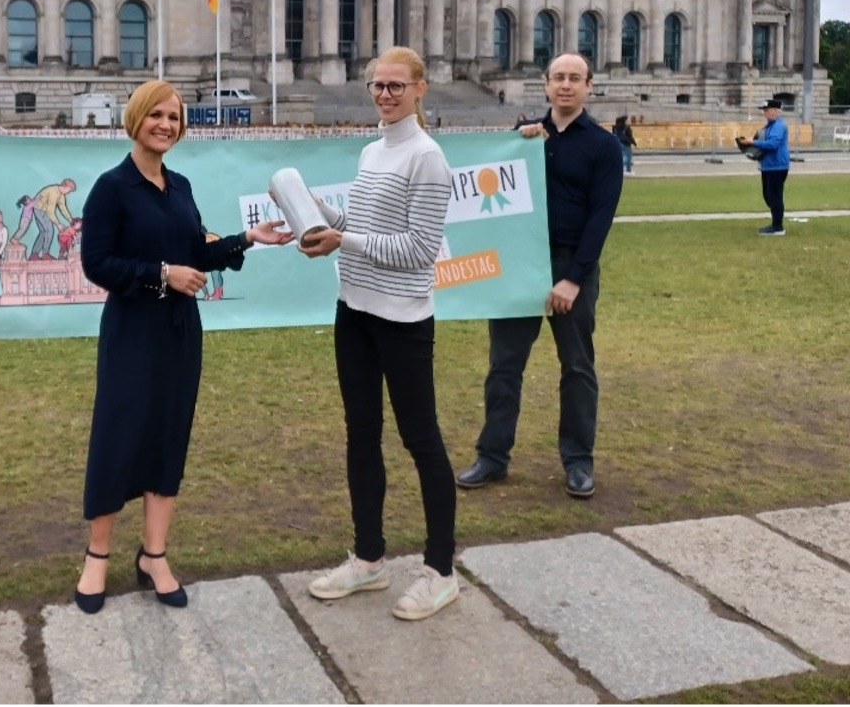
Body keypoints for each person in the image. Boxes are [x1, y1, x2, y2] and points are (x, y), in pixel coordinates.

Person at [72, 79, 291, 614]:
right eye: (157, 116)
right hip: (131, 333)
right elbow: (96, 265)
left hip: (179, 334)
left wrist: (246, 240)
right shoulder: (111, 187)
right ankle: (96, 556)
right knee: (117, 438)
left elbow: (195, 250)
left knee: (169, 438)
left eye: (174, 118)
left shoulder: (183, 185)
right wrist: (162, 275)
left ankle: (154, 554)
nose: (166, 125)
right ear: (136, 119)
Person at [299, 46, 460, 622]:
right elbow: (364, 230)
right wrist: (321, 217)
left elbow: (419, 251)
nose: (385, 95)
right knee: (360, 435)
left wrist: (349, 241)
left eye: (396, 86)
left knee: (422, 439)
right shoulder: (373, 151)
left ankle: (441, 571)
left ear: (421, 89)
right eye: (377, 85)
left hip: (404, 318)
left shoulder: (428, 157)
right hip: (355, 310)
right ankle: (369, 559)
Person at [457, 52, 623, 501]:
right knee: (504, 367)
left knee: (576, 367)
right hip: (519, 265)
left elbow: (600, 219)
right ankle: (492, 456)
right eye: (558, 78)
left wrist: (573, 278)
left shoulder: (604, 146)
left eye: (575, 78)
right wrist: (517, 144)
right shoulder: (524, 136)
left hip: (572, 266)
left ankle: (578, 461)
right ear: (545, 85)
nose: (566, 85)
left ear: (589, 86)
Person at [739, 99, 790, 236]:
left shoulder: (779, 125)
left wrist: (754, 142)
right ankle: (776, 222)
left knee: (775, 196)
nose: (765, 113)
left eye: (767, 110)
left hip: (777, 166)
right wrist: (750, 142)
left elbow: (773, 144)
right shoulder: (769, 126)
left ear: (776, 111)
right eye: (764, 110)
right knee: (768, 196)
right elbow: (764, 140)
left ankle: (777, 226)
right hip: (768, 166)